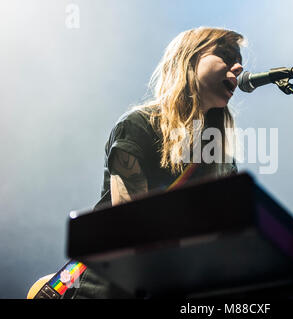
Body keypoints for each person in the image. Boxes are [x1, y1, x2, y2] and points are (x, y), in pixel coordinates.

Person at [65, 26, 245, 298]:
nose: (239, 67)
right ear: (190, 57)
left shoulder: (223, 162)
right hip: (102, 291)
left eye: (239, 62)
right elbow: (130, 226)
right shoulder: (139, 126)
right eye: (226, 55)